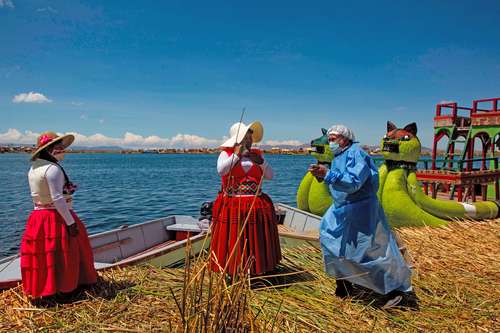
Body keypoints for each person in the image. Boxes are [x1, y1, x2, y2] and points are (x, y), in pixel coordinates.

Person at [309, 125, 413, 307]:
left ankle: (392, 291)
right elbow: (338, 180)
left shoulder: (357, 154)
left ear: (345, 139)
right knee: (331, 241)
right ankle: (344, 282)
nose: (330, 142)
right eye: (329, 139)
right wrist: (322, 175)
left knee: (367, 250)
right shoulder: (339, 155)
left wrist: (329, 175)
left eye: (333, 139)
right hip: (341, 208)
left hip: (361, 209)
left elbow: (354, 182)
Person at [20, 131, 97, 298]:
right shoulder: (52, 169)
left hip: (38, 216)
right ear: (49, 151)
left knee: (45, 254)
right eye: (59, 147)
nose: (63, 150)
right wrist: (70, 223)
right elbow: (57, 198)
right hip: (56, 216)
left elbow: (37, 196)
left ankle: (47, 289)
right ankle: (68, 287)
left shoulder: (34, 169)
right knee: (67, 251)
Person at [210, 121, 281, 276]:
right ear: (237, 140)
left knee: (256, 238)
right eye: (245, 138)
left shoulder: (258, 156)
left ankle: (258, 269)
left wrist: (261, 162)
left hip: (256, 204)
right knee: (235, 237)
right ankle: (233, 269)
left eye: (250, 138)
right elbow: (222, 171)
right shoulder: (226, 154)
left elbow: (270, 175)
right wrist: (236, 154)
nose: (248, 141)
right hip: (233, 204)